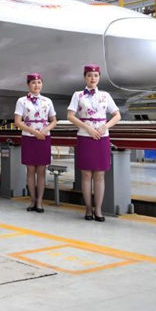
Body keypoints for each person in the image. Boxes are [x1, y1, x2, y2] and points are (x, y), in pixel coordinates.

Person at [67, 64, 121, 222]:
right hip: (85, 135)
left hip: (102, 137)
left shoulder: (105, 95)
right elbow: (70, 115)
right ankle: (88, 208)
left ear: (99, 77)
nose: (93, 78)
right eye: (90, 75)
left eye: (96, 75)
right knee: (86, 174)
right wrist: (88, 128)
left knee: (99, 174)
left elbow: (117, 115)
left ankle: (98, 209)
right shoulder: (78, 95)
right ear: (85, 77)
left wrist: (105, 126)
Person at [14, 73, 57, 213]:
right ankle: (32, 199)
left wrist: (45, 130)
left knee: (42, 171)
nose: (36, 85)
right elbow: (18, 122)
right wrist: (34, 132)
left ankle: (40, 201)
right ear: (28, 85)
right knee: (30, 171)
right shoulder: (22, 101)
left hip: (44, 137)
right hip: (29, 137)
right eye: (33, 83)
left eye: (39, 82)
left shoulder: (47, 101)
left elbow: (54, 120)